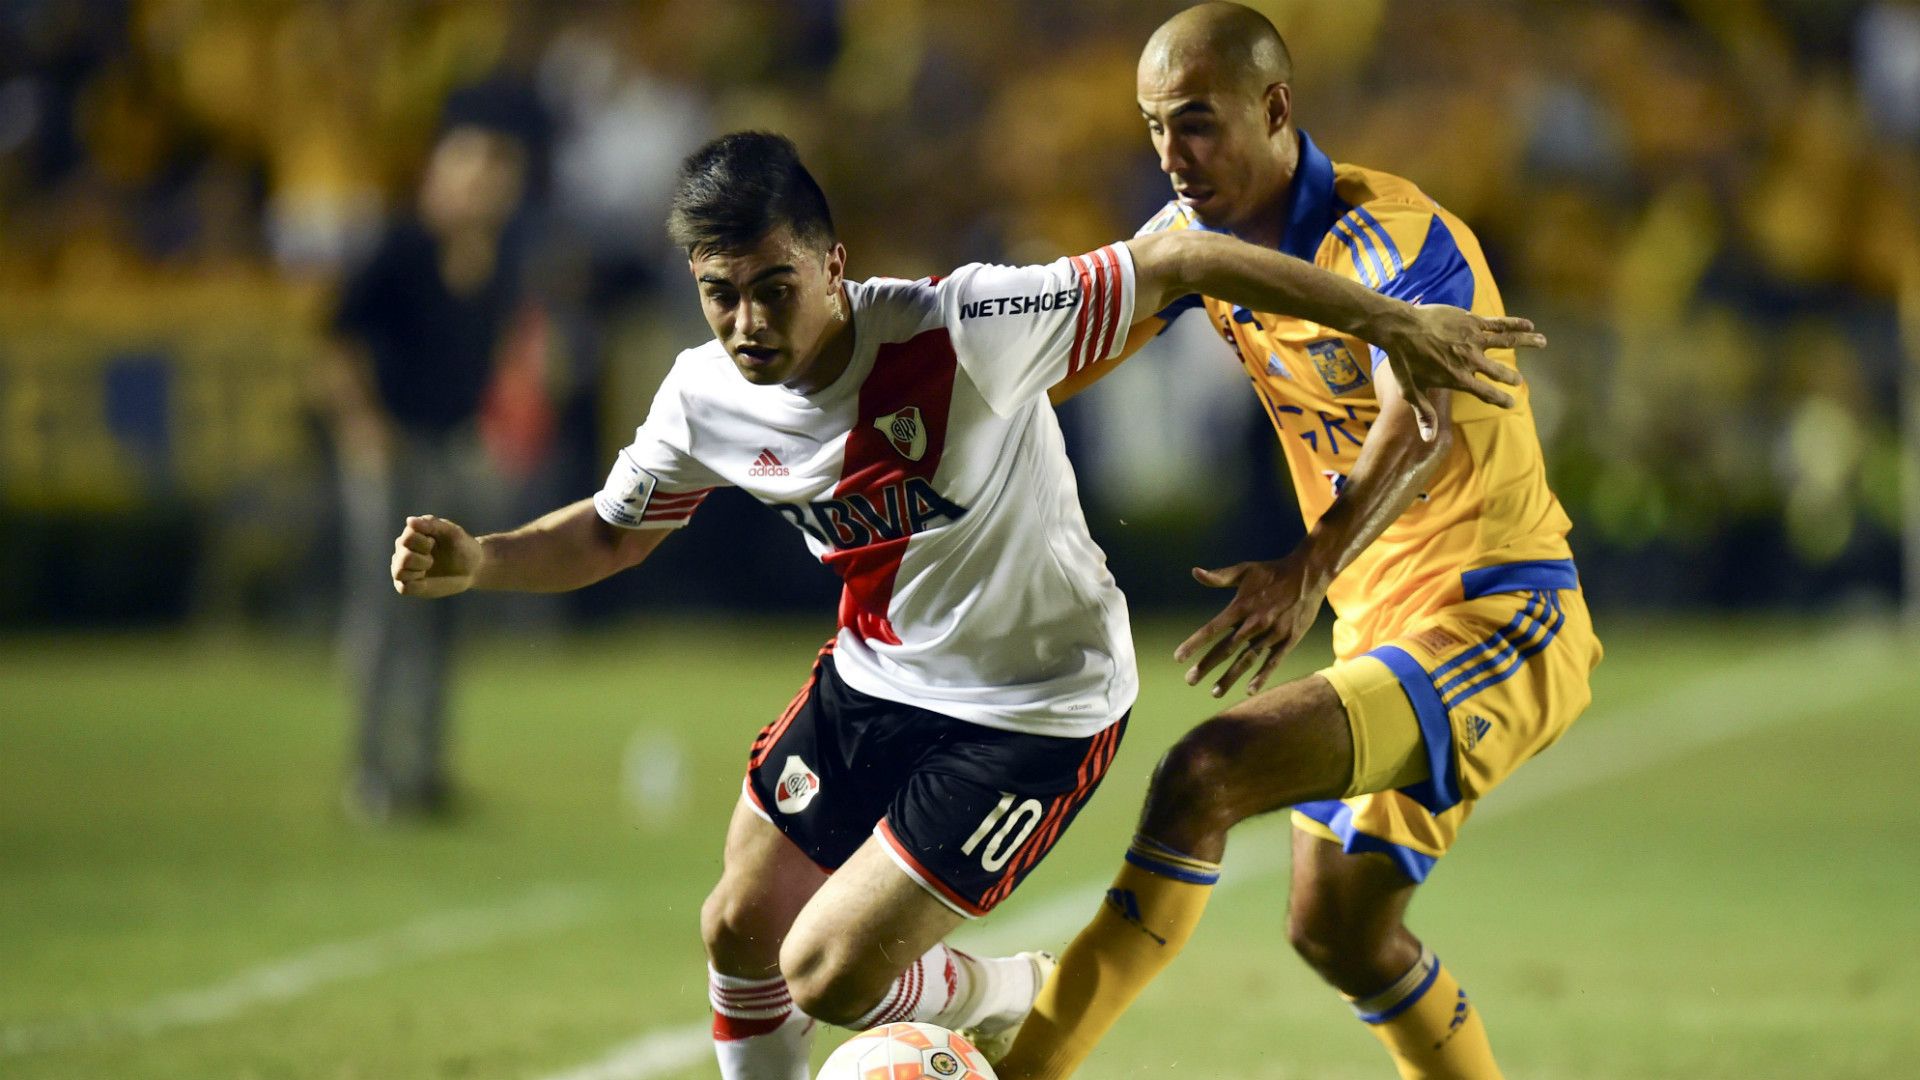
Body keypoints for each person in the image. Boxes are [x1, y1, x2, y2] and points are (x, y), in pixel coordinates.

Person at [385, 131, 1535, 1080]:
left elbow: (1184, 262)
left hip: (1036, 710)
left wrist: (1388, 321)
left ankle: (1017, 990)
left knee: (830, 975)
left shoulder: (969, 327)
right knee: (738, 927)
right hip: (874, 677)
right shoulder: (703, 397)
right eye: (721, 295)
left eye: (774, 287)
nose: (747, 324)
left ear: (833, 264)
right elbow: (608, 531)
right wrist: (479, 562)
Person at [997, 5, 1604, 1078]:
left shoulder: (1395, 240)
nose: (1173, 158)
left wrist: (1307, 567)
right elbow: (1064, 353)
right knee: (1340, 930)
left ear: (1276, 108)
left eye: (1196, 123)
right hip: (1386, 630)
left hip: (1498, 612)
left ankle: (1026, 1069)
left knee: (1205, 772)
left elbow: (1416, 416)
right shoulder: (1198, 248)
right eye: (1152, 130)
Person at [318, 119, 533, 821]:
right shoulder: (400, 248)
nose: (480, 191)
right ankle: (372, 774)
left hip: (450, 446)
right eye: (467, 175)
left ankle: (425, 769)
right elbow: (336, 341)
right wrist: (361, 426)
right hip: (393, 446)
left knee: (446, 606)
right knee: (384, 610)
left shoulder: (497, 260)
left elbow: (492, 356)